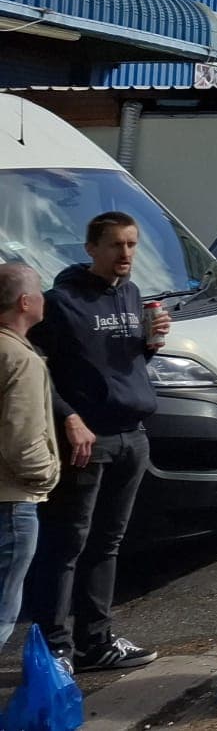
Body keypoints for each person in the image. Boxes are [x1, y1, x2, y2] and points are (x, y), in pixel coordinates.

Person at [24, 211, 168, 672]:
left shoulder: (130, 294)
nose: (126, 255)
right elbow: (34, 371)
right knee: (66, 544)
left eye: (131, 245)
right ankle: (55, 649)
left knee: (108, 543)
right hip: (89, 440)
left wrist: (151, 343)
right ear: (91, 249)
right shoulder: (60, 302)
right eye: (116, 246)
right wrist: (69, 418)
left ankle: (96, 641)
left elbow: (119, 361)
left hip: (133, 435)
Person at [0, 264, 58, 650]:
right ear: (25, 302)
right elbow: (22, 442)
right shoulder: (22, 360)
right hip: (13, 502)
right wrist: (49, 473)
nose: (43, 298)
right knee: (4, 607)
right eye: (39, 291)